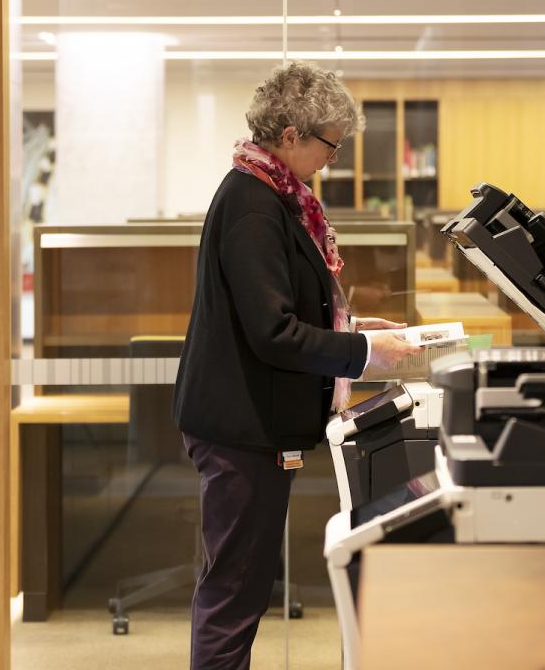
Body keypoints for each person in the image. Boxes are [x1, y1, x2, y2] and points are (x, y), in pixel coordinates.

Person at [173, 61, 420, 669]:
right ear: (291, 136)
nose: (332, 159)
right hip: (241, 425)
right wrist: (363, 354)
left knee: (243, 584)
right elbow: (272, 333)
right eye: (330, 144)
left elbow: (281, 310)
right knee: (235, 591)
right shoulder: (255, 206)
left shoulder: (270, 196)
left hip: (253, 421)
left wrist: (354, 330)